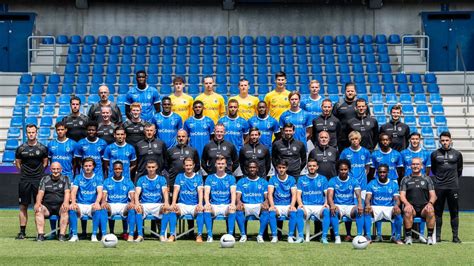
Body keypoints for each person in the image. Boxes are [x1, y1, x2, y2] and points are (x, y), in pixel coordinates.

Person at [15, 124, 49, 240]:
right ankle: (22, 232)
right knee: (23, 206)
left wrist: (38, 173)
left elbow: (45, 163)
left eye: (33, 132)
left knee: (38, 206)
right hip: (24, 180)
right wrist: (25, 173)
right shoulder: (21, 148)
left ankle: (39, 232)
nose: (31, 134)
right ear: (26, 133)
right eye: (29, 132)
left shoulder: (42, 148)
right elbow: (18, 163)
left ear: (36, 133)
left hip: (38, 180)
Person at [431, 131, 463, 243]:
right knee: (438, 212)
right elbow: (434, 170)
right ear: (440, 141)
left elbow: (459, 170)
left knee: (454, 212)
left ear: (450, 140)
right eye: (443, 140)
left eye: (447, 140)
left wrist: (451, 180)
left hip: (452, 187)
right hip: (439, 187)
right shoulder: (435, 154)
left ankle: (455, 236)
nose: (445, 142)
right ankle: (438, 236)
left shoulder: (457, 154)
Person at [400, 158, 437, 245]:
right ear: (410, 166)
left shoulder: (427, 179)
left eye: (417, 164)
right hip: (411, 207)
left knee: (431, 210)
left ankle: (429, 237)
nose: (415, 166)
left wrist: (430, 203)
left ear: (421, 166)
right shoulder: (405, 179)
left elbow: (433, 195)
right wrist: (407, 204)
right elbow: (402, 195)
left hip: (424, 207)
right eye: (413, 164)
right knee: (407, 210)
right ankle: (408, 237)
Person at [364, 164, 403, 244]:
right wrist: (368, 205)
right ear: (377, 172)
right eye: (380, 172)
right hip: (375, 207)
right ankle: (368, 237)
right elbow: (368, 198)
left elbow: (397, 199)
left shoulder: (393, 184)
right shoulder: (372, 183)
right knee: (367, 210)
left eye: (384, 172)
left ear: (388, 172)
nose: (382, 174)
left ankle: (397, 237)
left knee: (398, 211)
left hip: (389, 208)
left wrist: (396, 206)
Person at [68, 158, 106, 242]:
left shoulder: (98, 178)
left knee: (97, 209)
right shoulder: (78, 177)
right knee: (72, 208)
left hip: (91, 204)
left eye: (89, 166)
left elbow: (100, 192)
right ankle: (74, 235)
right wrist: (73, 202)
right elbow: (73, 192)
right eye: (85, 166)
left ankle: (94, 235)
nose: (87, 167)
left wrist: (96, 203)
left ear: (93, 167)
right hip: (81, 204)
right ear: (82, 167)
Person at [327, 159, 364, 244]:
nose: (343, 171)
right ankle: (337, 237)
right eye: (341, 169)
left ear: (348, 170)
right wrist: (332, 204)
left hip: (349, 206)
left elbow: (358, 195)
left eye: (345, 169)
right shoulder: (333, 180)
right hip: (338, 205)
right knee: (333, 211)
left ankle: (359, 236)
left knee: (359, 210)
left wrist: (359, 204)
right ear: (338, 170)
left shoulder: (353, 180)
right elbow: (329, 196)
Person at [295, 159, 331, 244]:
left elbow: (327, 194)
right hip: (306, 206)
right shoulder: (301, 179)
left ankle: (324, 237)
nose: (312, 168)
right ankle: (300, 237)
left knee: (326, 211)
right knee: (299, 211)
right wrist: (300, 204)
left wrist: (326, 203)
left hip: (319, 206)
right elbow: (298, 194)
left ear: (317, 167)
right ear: (307, 167)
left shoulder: (323, 179)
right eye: (310, 166)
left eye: (314, 166)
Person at [169, 157, 205, 242]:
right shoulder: (179, 176)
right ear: (183, 166)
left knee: (200, 211)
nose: (188, 167)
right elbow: (176, 190)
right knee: (173, 210)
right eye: (186, 165)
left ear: (193, 166)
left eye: (190, 165)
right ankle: (172, 235)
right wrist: (173, 203)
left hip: (194, 205)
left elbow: (200, 191)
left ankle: (199, 235)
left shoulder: (198, 177)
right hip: (182, 205)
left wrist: (200, 204)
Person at [203, 155, 237, 242]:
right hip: (214, 205)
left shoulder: (231, 178)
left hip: (226, 205)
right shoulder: (210, 178)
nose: (220, 165)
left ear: (226, 165)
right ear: (215, 165)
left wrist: (233, 203)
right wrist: (207, 203)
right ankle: (210, 236)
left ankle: (230, 235)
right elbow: (206, 192)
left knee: (232, 210)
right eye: (218, 164)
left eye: (222, 163)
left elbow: (233, 192)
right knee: (207, 210)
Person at [134, 160, 170, 242]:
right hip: (145, 204)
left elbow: (165, 192)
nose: (151, 169)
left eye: (153, 167)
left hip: (157, 204)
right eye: (149, 167)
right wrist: (137, 203)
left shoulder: (161, 179)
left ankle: (161, 235)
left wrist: (166, 202)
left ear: (156, 167)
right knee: (138, 209)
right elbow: (136, 193)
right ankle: (140, 235)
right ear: (146, 168)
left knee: (166, 209)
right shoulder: (141, 179)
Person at [34, 162, 70, 241]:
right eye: (53, 169)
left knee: (65, 209)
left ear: (61, 170)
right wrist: (38, 203)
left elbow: (67, 192)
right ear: (50, 170)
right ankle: (40, 235)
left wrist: (66, 202)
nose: (55, 171)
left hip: (60, 206)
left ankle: (62, 235)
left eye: (57, 169)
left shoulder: (65, 179)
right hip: (47, 206)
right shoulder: (45, 179)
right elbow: (40, 192)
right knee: (38, 209)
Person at [235, 160, 270, 243]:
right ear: (247, 169)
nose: (252, 169)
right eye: (250, 167)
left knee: (265, 209)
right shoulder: (241, 181)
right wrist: (239, 202)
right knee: (238, 209)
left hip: (258, 205)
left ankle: (260, 235)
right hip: (246, 205)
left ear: (257, 169)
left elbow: (267, 197)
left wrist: (266, 201)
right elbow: (238, 197)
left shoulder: (263, 182)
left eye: (254, 167)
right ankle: (243, 235)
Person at [101, 161, 136, 242]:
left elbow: (132, 195)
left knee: (131, 208)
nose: (117, 170)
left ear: (122, 170)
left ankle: (130, 235)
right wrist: (104, 202)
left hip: (123, 205)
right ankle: (104, 235)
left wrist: (132, 202)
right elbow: (104, 195)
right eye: (116, 169)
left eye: (119, 169)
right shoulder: (107, 181)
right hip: (111, 205)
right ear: (113, 170)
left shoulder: (128, 181)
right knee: (103, 208)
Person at [268, 160, 299, 243]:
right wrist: (272, 206)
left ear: (287, 168)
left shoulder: (291, 179)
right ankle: (274, 236)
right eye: (279, 167)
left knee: (293, 213)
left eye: (283, 168)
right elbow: (270, 194)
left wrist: (292, 206)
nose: (281, 169)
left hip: (288, 205)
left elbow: (294, 195)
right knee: (271, 213)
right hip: (277, 205)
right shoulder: (273, 179)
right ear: (276, 168)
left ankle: (290, 236)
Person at [332, 83, 358, 151]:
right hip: (342, 138)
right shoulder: (338, 105)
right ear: (345, 92)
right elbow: (333, 121)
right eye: (348, 91)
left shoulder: (360, 105)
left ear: (355, 92)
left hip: (357, 138)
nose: (350, 93)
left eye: (352, 91)